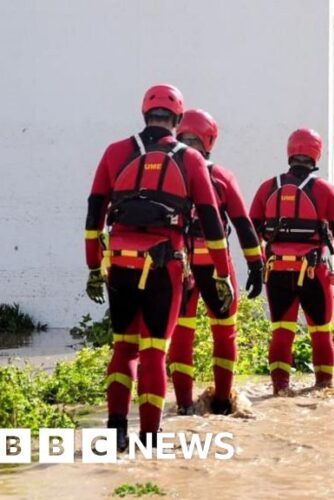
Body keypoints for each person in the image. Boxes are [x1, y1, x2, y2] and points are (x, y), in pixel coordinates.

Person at [84, 84, 234, 449]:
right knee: (154, 351)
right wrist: (222, 273)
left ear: (144, 114)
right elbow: (212, 223)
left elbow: (93, 215)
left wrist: (92, 266)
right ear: (178, 119)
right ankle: (149, 441)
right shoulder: (191, 159)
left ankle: (116, 429)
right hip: (165, 265)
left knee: (123, 348)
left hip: (119, 262)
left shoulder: (115, 152)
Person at [168, 109, 264, 416]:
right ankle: (223, 402)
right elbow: (243, 223)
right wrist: (256, 265)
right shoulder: (221, 176)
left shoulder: (167, 172)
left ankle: (183, 405)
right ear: (209, 139)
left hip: (178, 264)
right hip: (214, 263)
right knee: (225, 333)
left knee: (181, 334)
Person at [249, 128, 334, 393]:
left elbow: (251, 229)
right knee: (321, 332)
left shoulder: (268, 187)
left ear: (290, 152)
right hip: (313, 272)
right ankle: (324, 388)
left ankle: (279, 389)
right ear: (316, 154)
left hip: (276, 270)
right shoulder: (324, 190)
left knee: (281, 331)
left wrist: (257, 264)